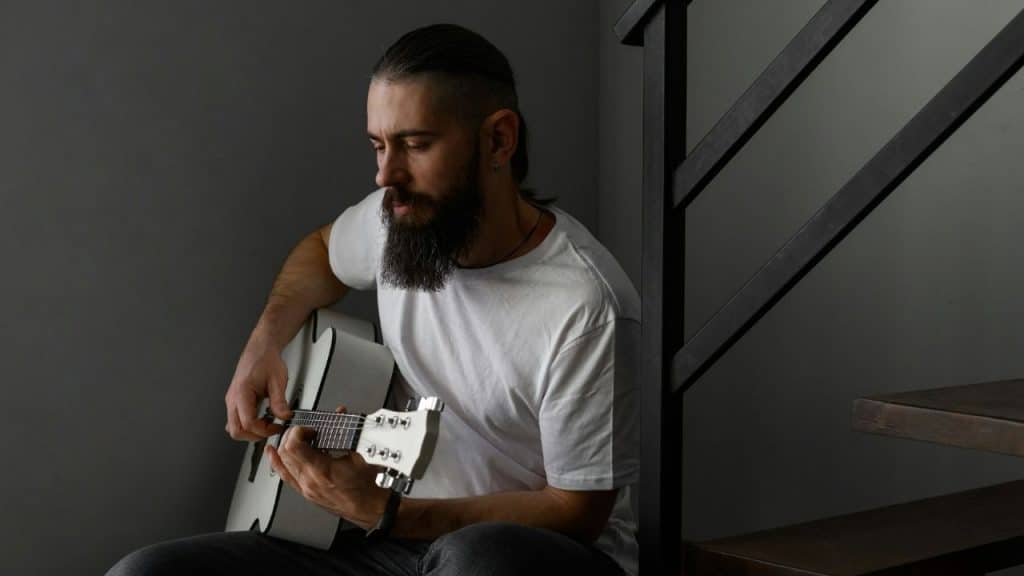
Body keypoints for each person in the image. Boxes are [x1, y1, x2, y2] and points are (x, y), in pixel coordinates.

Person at [108, 23, 640, 576]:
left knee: (474, 558)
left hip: (529, 554)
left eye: (415, 144)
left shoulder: (585, 306)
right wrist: (263, 344)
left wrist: (387, 512)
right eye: (379, 145)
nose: (386, 175)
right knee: (145, 573)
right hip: (388, 539)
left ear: (498, 141)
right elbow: (320, 252)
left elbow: (577, 511)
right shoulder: (397, 219)